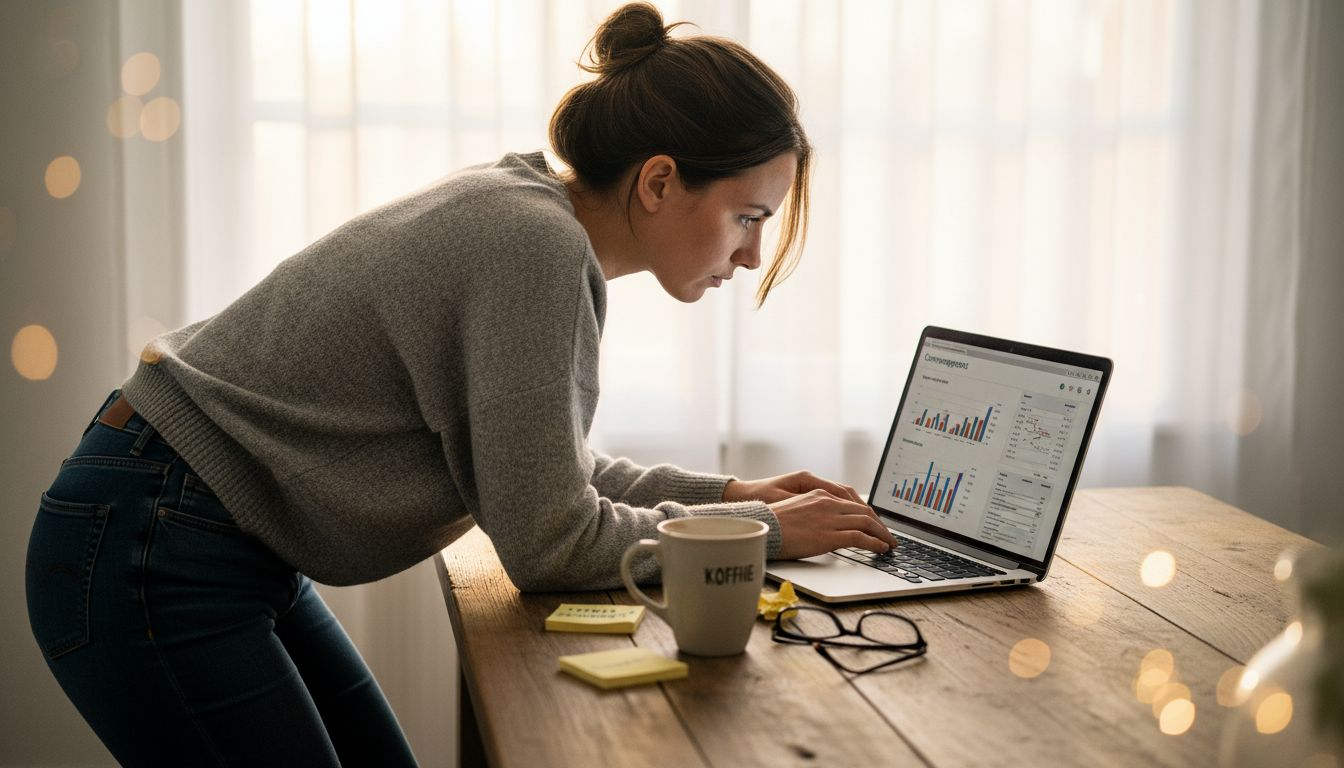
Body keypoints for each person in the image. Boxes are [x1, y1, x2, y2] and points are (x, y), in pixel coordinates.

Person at [25, 3, 896, 764]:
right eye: (748, 218)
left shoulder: (528, 215)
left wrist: (734, 494)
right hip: (158, 542)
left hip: (187, 526)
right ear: (661, 180)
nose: (750, 255)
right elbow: (552, 542)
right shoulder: (534, 247)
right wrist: (760, 531)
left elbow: (552, 475)